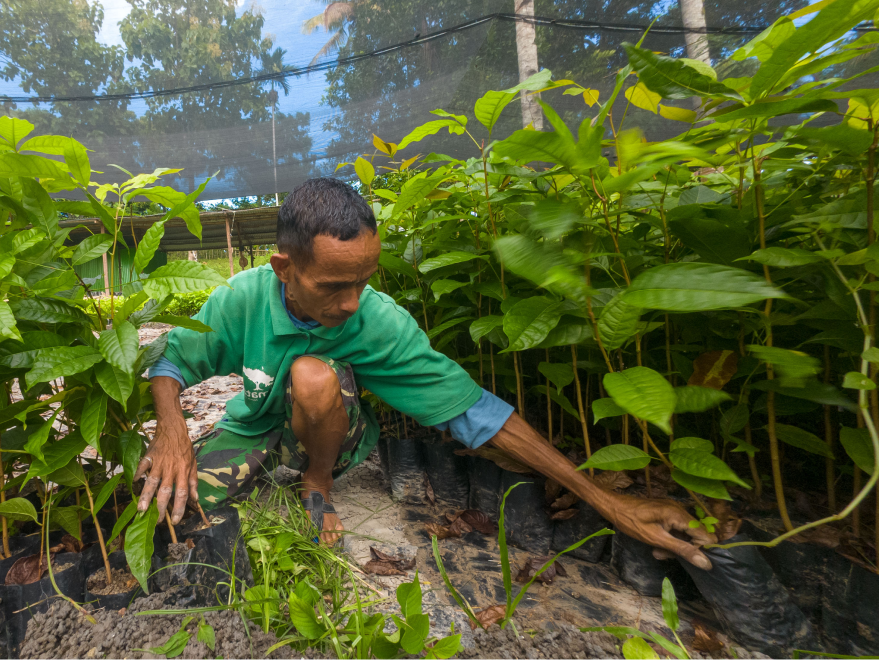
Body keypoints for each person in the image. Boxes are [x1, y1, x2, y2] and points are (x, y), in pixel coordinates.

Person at [137, 177, 713, 570]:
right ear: (284, 269)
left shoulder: (379, 323)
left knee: (314, 376)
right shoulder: (240, 299)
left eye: (363, 281)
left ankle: (317, 483)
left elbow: (477, 412)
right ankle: (249, 467)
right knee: (163, 503)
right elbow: (171, 357)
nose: (352, 304)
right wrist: (172, 431)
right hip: (256, 424)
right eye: (333, 286)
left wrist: (610, 504)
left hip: (330, 429)